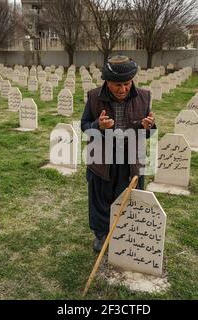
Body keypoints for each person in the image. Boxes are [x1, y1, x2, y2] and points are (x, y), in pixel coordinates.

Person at [81, 55, 156, 252]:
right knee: (101, 200)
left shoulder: (144, 97)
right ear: (107, 82)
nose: (123, 89)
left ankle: (125, 233)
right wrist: (98, 125)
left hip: (130, 160)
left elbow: (150, 133)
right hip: (102, 160)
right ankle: (101, 234)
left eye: (127, 84)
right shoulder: (94, 97)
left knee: (127, 199)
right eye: (117, 85)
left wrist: (148, 127)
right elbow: (84, 127)